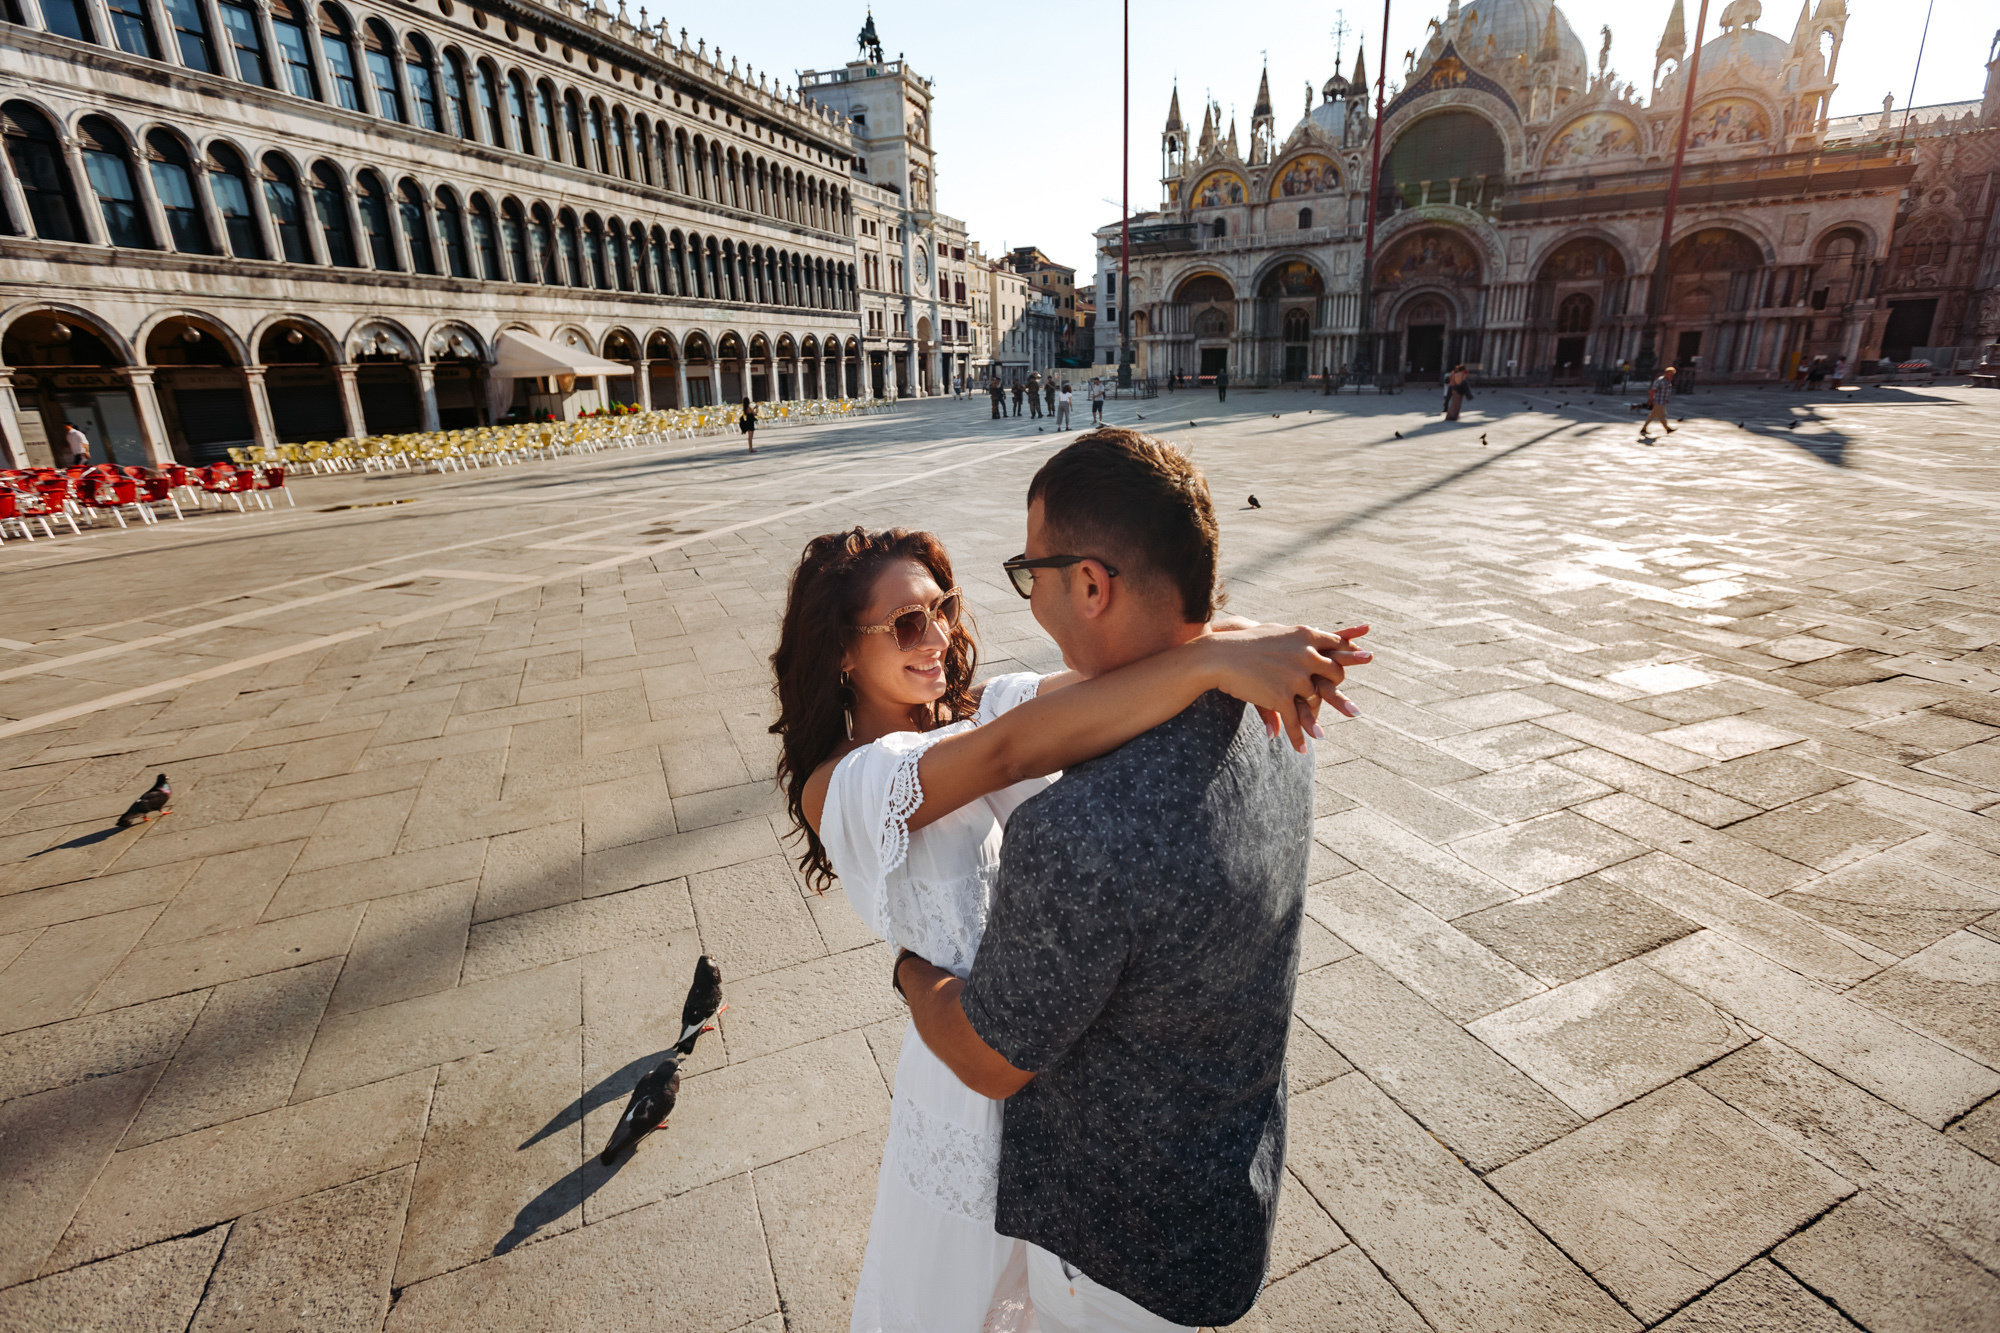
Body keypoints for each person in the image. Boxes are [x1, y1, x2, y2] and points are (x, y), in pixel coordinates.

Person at [883, 431, 1366, 1332]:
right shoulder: (1272, 698)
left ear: (1092, 584)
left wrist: (914, 971)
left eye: (1034, 574)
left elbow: (990, 1059)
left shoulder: (1080, 833)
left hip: (1118, 1250)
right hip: (1228, 1187)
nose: (1029, 598)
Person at [1641, 365, 1677, 441]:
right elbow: (1652, 390)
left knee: (1652, 415)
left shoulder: (1668, 381)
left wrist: (1666, 399)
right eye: (1670, 374)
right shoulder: (1660, 380)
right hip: (1658, 401)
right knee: (1662, 415)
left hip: (1663, 401)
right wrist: (1651, 400)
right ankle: (1667, 428)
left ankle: (1643, 428)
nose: (1671, 376)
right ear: (1666, 373)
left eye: (1673, 374)